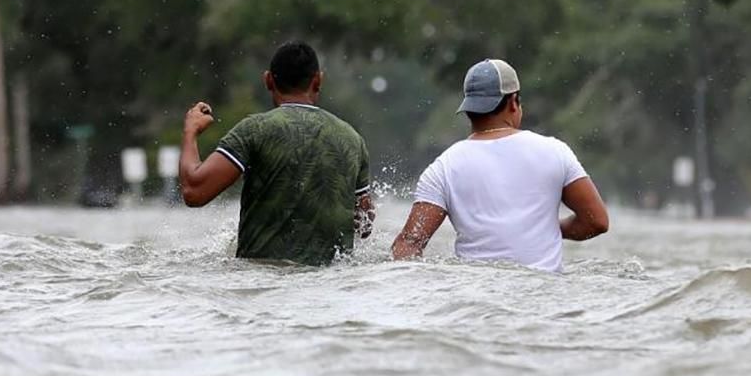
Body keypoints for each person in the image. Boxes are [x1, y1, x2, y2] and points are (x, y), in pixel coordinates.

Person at [392, 59, 608, 272]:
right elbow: (596, 221)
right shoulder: (555, 152)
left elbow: (408, 245)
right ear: (514, 101)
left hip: (474, 297)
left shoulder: (442, 168)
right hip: (543, 296)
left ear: (468, 107)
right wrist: (550, 228)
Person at [179, 41, 374, 265]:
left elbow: (194, 192)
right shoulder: (352, 139)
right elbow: (364, 226)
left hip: (264, 285)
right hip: (331, 288)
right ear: (318, 80)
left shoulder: (254, 130)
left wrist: (190, 131)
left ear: (268, 80)